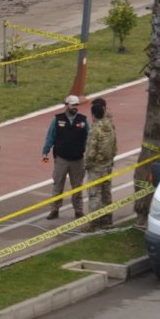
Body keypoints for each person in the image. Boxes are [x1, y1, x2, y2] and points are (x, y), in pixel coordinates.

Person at [42, 95, 90, 220]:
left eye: (76, 105)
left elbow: (88, 137)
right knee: (58, 185)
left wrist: (84, 149)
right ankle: (54, 210)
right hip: (61, 159)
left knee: (77, 186)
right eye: (73, 105)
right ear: (67, 104)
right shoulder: (57, 119)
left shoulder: (83, 120)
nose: (75, 107)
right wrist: (45, 152)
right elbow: (50, 136)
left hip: (78, 160)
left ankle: (78, 210)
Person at [84, 97, 117, 230]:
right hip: (108, 164)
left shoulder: (95, 130)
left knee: (94, 195)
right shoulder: (110, 126)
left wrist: (87, 163)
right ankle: (107, 220)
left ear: (93, 115)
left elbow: (91, 151)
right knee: (106, 193)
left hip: (96, 167)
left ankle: (93, 223)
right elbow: (115, 145)